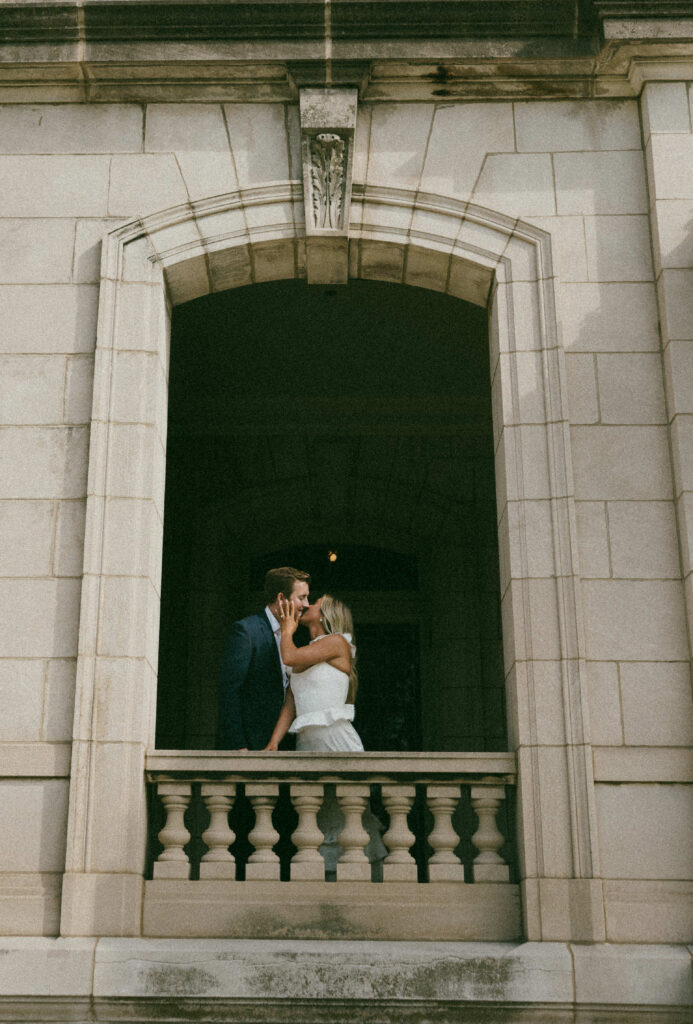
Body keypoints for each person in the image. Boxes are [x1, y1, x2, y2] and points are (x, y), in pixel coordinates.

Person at [216, 566, 310, 750]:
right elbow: (229, 691)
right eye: (301, 597)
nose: (306, 604)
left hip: (287, 745)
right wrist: (239, 745)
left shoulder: (298, 635)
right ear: (281, 598)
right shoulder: (246, 631)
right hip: (250, 745)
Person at [264, 592, 363, 752]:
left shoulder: (337, 642)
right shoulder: (307, 653)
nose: (307, 605)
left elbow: (289, 657)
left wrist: (287, 631)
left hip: (337, 741)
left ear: (325, 615)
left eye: (315, 603)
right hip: (305, 742)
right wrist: (274, 742)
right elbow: (290, 705)